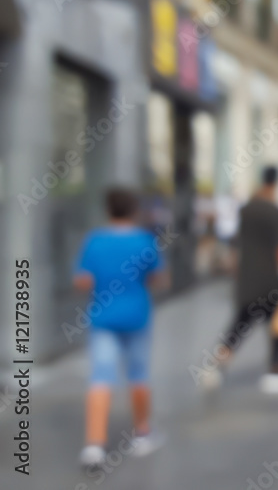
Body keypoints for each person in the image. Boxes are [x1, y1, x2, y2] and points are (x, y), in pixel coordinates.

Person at [75, 187, 169, 470]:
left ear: (108, 210)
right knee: (138, 375)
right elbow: (159, 279)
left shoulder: (94, 241)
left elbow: (82, 281)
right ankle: (142, 432)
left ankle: (94, 445)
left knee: (100, 378)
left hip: (103, 318)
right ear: (134, 210)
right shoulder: (145, 241)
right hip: (137, 316)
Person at [205, 165, 278, 393]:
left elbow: (237, 246)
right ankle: (275, 369)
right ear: (277, 182)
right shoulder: (277, 213)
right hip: (270, 280)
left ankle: (215, 367)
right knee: (277, 326)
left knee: (238, 327)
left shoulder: (246, 210)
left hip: (247, 279)